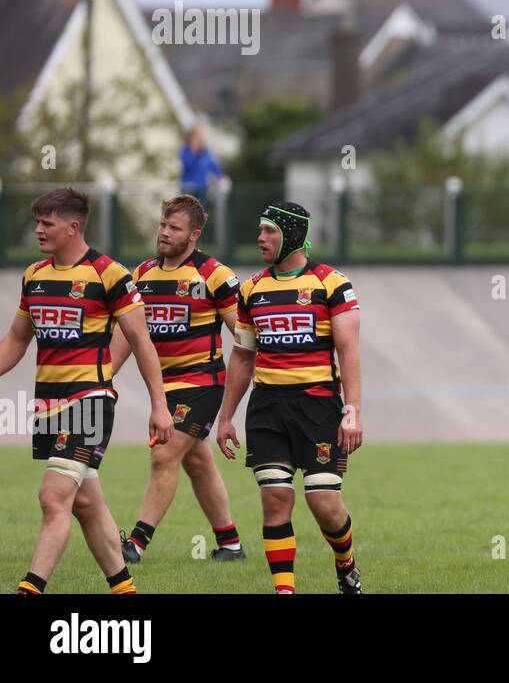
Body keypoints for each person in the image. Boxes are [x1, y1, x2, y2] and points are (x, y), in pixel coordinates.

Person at [0, 187, 173, 595]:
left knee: (53, 496)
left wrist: (160, 406)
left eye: (48, 223)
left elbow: (141, 340)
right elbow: (16, 340)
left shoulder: (109, 274)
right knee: (85, 503)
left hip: (90, 401)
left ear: (74, 227)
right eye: (38, 222)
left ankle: (30, 589)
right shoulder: (35, 276)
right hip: (49, 404)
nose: (38, 230)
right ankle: (124, 589)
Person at [215, 202, 365, 594]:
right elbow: (243, 356)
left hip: (318, 405)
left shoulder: (332, 284)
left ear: (292, 235)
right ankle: (285, 589)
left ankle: (345, 562)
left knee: (323, 503)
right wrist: (226, 416)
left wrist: (352, 410)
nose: (260, 238)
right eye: (260, 231)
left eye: (269, 231)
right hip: (267, 406)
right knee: (275, 496)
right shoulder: (252, 288)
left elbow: (349, 352)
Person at [110, 194, 246, 564]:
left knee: (163, 454)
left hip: (202, 383)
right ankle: (230, 544)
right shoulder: (142, 274)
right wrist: (103, 376)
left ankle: (135, 544)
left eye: (175, 228)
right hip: (163, 386)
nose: (165, 233)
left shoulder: (214, 275)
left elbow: (244, 337)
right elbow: (128, 334)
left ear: (194, 235)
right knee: (197, 461)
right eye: (163, 225)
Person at [180, 125, 224, 209]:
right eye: (198, 135)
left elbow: (213, 165)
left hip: (202, 188)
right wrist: (194, 151)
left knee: (200, 213)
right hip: (188, 187)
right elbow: (187, 164)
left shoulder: (206, 152)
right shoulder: (185, 150)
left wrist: (220, 177)